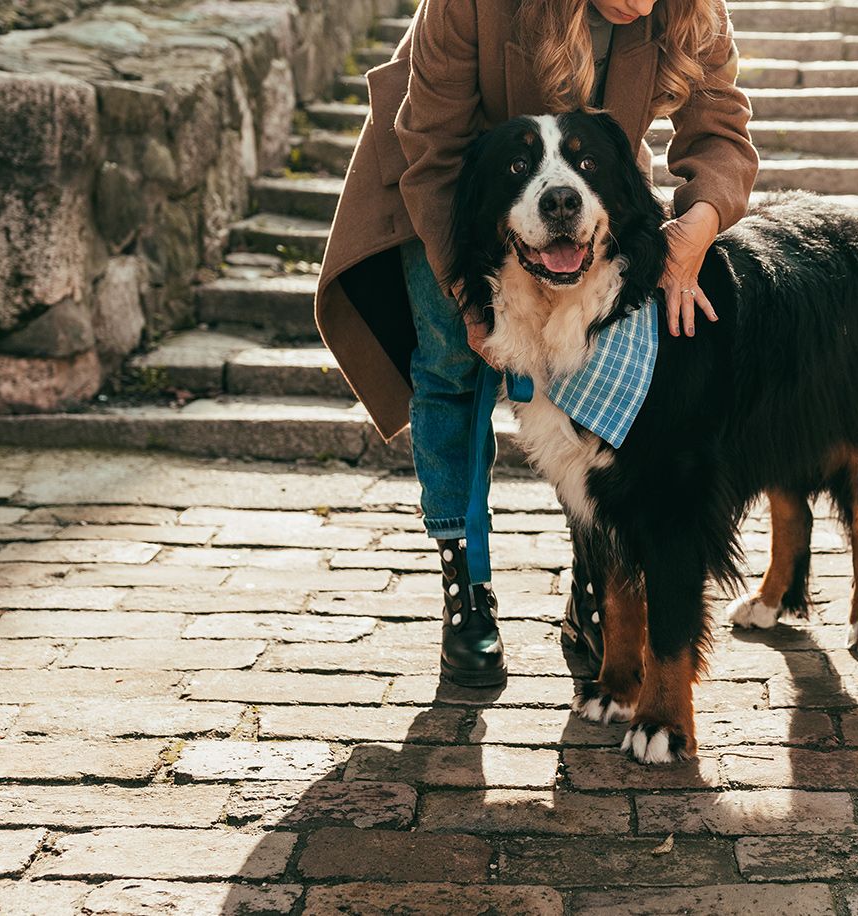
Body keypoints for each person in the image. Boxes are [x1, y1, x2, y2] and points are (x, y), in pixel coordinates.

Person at [314, 0, 758, 686]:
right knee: (453, 370)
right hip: (447, 180)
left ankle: (594, 579)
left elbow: (721, 131)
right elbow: (432, 150)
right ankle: (466, 588)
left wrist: (697, 228)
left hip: (575, 189)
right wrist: (470, 297)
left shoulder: (694, 11)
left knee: (595, 379)